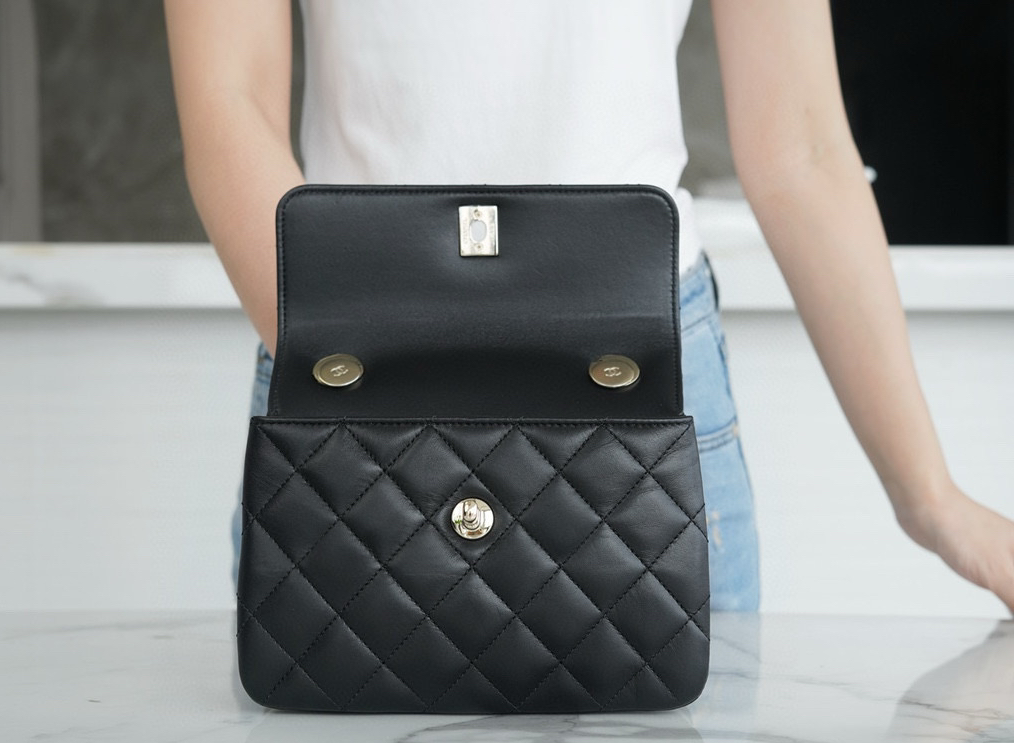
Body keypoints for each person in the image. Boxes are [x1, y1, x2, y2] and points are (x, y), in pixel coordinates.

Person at [163, 0, 1014, 613]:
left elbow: (805, 148)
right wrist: (371, 395)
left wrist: (930, 498)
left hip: (643, 369)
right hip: (354, 357)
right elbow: (229, 102)